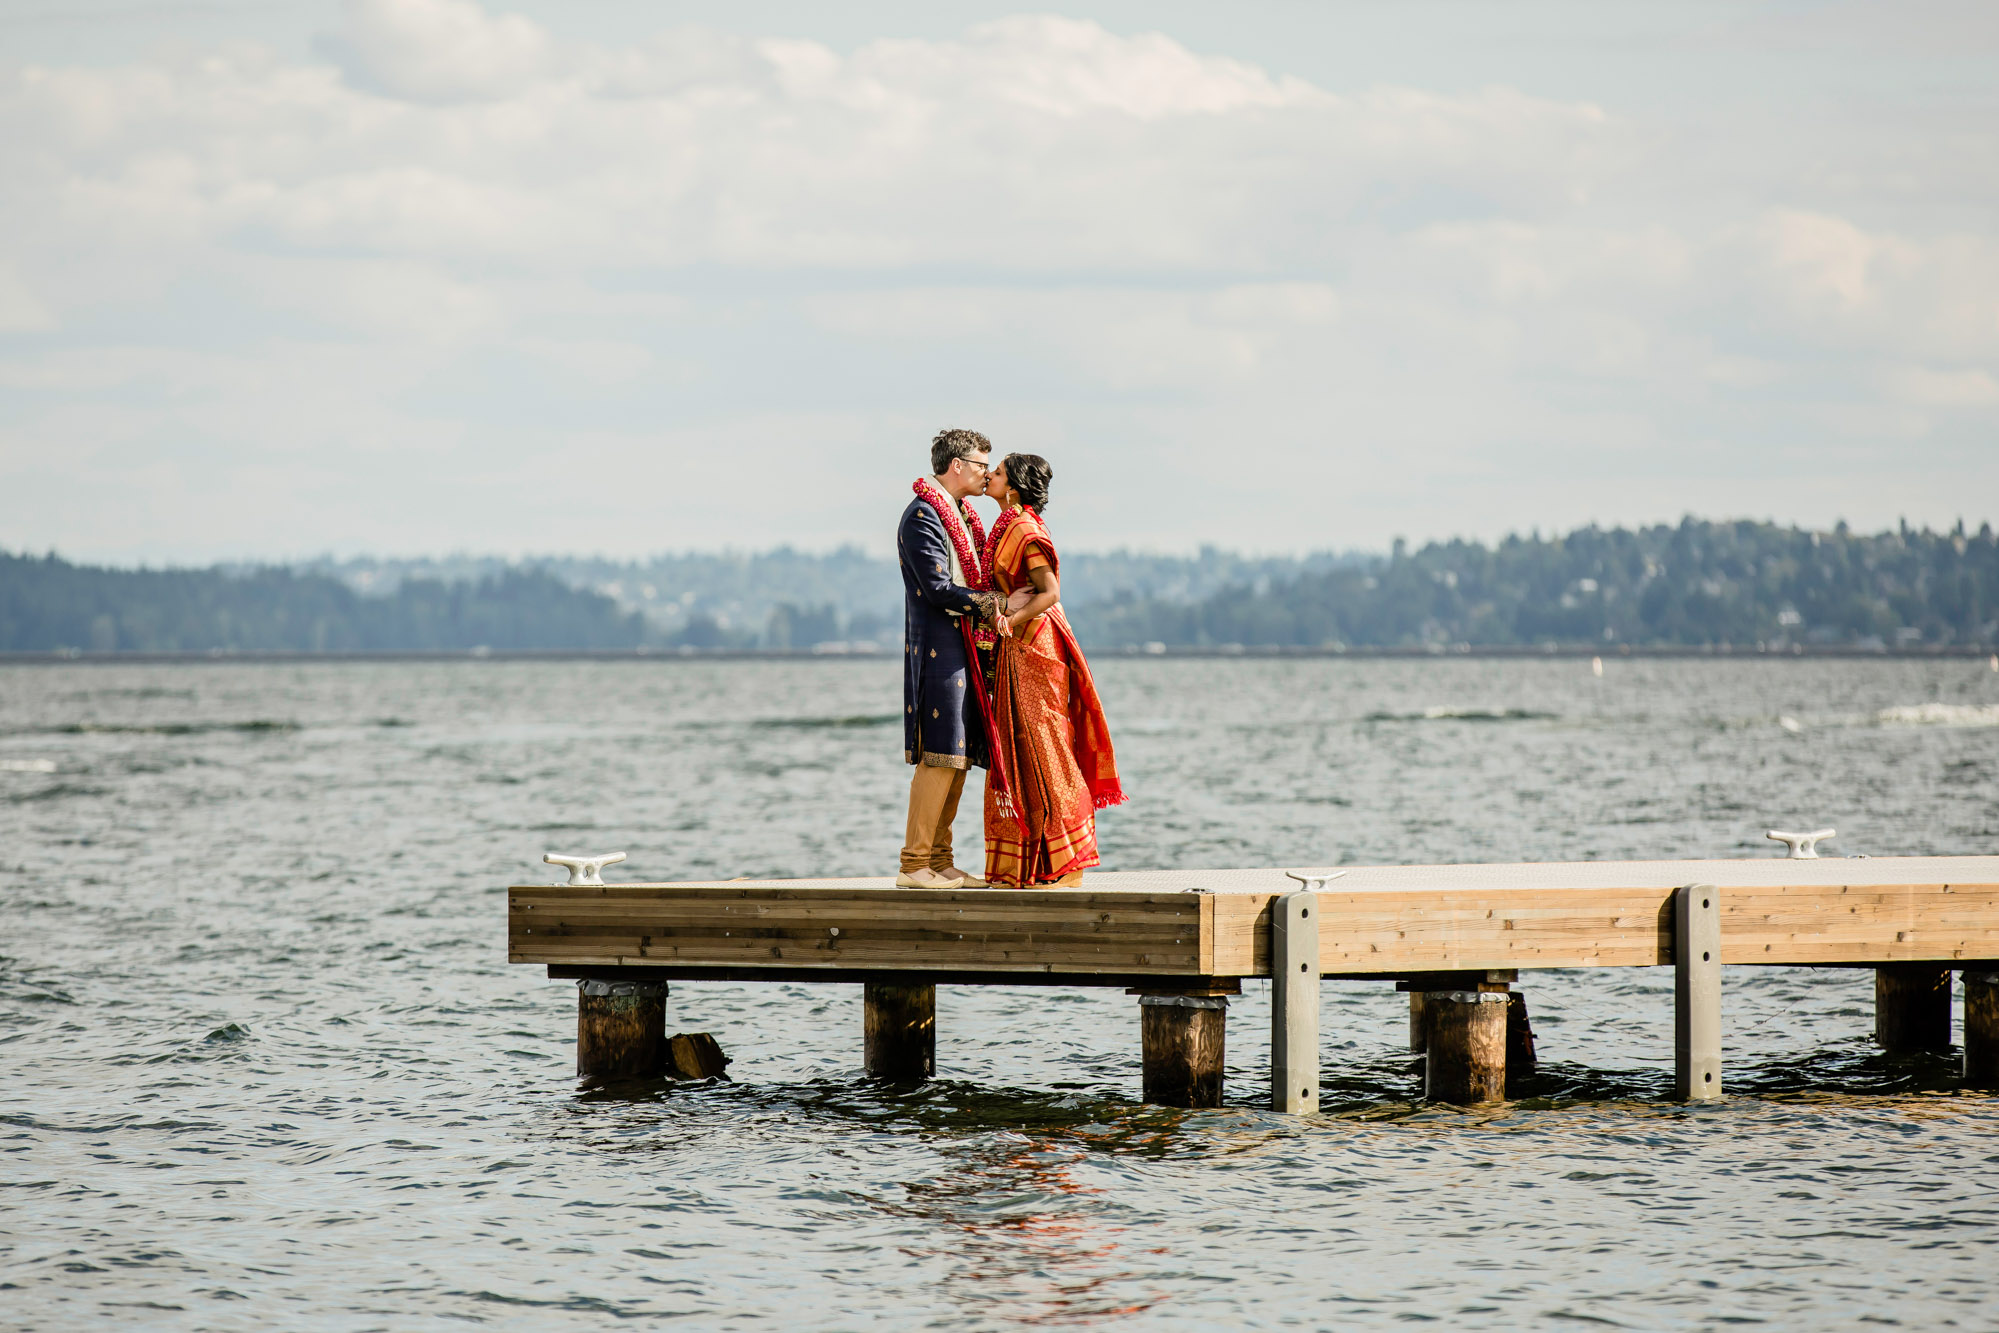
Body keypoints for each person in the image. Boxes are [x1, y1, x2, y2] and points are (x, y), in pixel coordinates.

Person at [977, 454, 1124, 887]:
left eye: (998, 473)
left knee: (1044, 749)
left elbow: (1049, 592)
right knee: (1019, 750)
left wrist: (1007, 618)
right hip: (1016, 647)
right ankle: (1032, 865)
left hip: (1034, 651)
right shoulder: (1008, 526)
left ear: (1015, 489)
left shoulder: (1024, 529)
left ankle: (1066, 863)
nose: (990, 476)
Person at [896, 428, 1003, 888]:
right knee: (939, 757)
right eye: (982, 465)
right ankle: (913, 864)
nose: (986, 474)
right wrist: (993, 601)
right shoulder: (923, 515)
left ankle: (939, 860)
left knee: (957, 757)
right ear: (956, 465)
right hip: (940, 648)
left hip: (964, 649)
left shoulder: (958, 515)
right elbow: (937, 589)